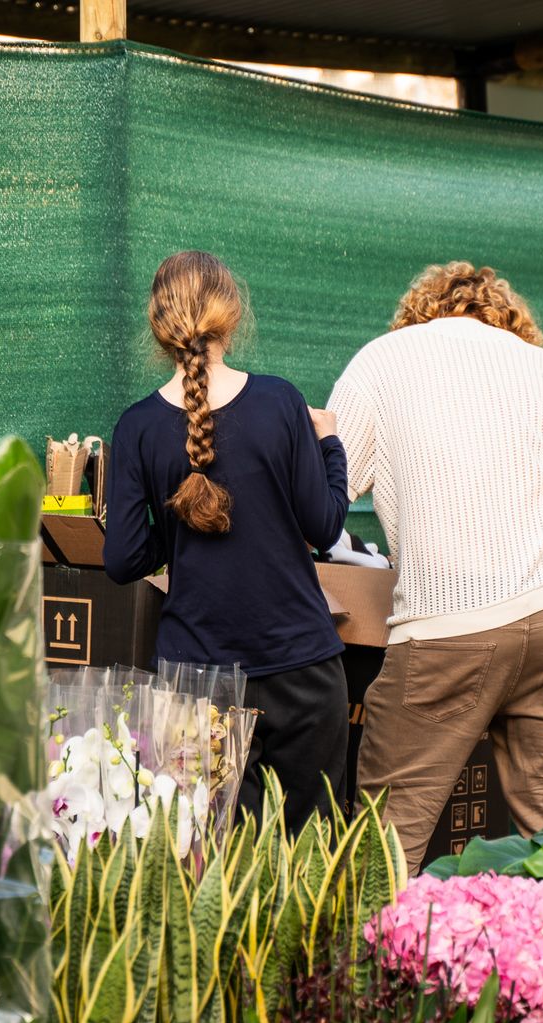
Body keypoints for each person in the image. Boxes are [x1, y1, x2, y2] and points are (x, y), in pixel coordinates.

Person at [327, 262, 543, 872]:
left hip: (446, 623)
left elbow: (324, 500)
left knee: (385, 841)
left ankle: (373, 966)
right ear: (508, 319)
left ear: (419, 312)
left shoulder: (381, 361)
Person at [104, 250, 351, 830]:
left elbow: (121, 560)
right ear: (231, 314)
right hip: (301, 671)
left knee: (207, 862)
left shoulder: (136, 426)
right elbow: (326, 527)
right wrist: (329, 445)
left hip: (195, 678)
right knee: (311, 862)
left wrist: (176, 531)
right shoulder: (281, 403)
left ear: (158, 326)